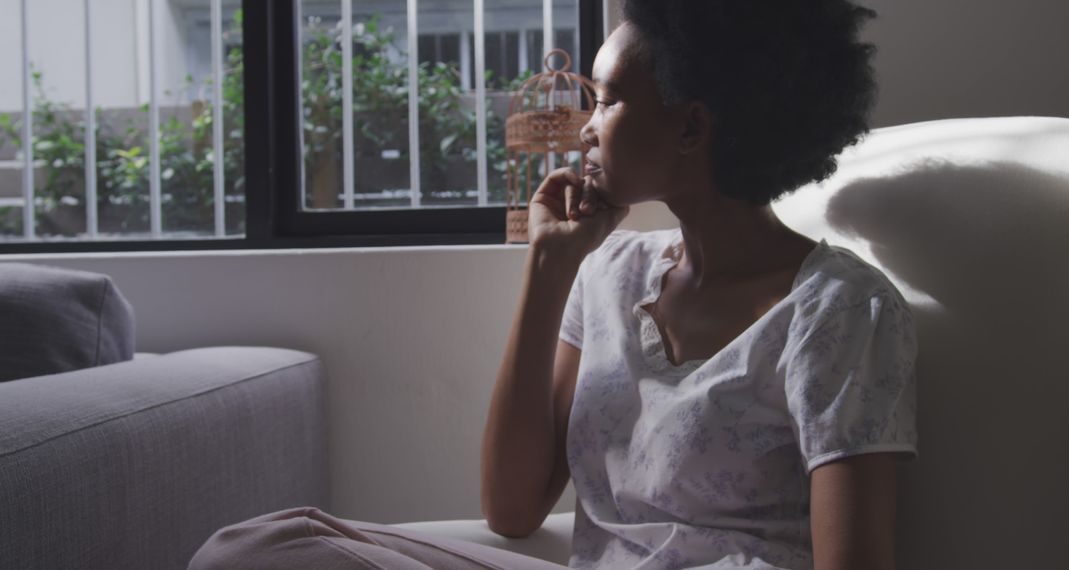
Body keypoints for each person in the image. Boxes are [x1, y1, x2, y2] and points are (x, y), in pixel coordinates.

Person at [189, 1, 916, 569]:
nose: (584, 130)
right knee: (255, 550)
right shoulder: (611, 270)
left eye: (606, 100)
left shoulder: (839, 308)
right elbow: (512, 510)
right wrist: (549, 265)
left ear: (692, 127)